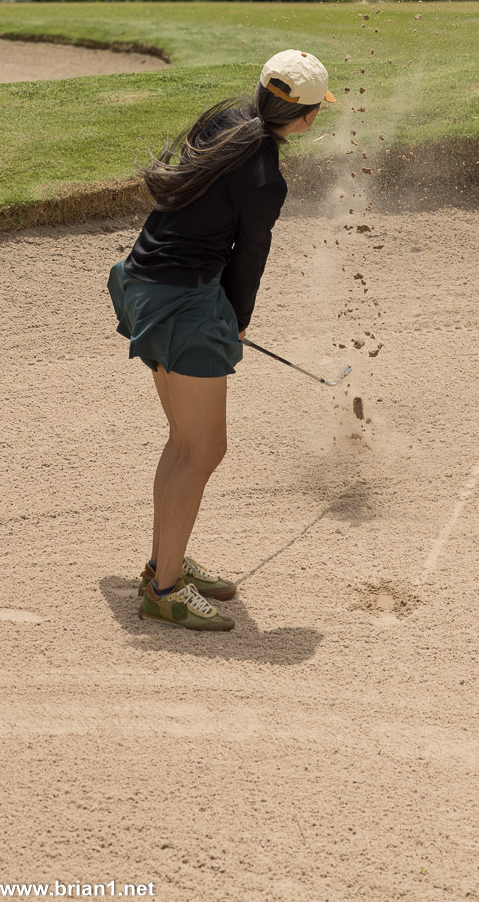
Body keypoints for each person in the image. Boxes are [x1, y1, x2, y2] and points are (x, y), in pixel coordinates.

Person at [108, 49, 336, 631]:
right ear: (307, 117)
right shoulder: (265, 178)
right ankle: (164, 591)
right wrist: (237, 318)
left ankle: (168, 564)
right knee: (204, 449)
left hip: (143, 283)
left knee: (185, 442)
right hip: (182, 305)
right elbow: (249, 257)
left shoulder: (223, 121)